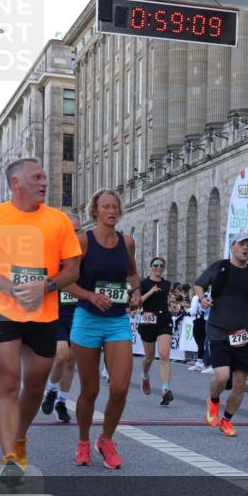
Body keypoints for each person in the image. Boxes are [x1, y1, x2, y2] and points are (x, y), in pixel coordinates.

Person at [0, 158, 82, 480]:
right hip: (2, 308)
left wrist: (47, 285)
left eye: (45, 176)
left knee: (33, 386)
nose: (45, 182)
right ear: (16, 183)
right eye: (38, 177)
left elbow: (72, 269)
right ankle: (10, 458)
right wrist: (14, 289)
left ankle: (19, 437)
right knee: (7, 381)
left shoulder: (58, 221)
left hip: (44, 312)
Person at [64, 190, 141, 468]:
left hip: (118, 320)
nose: (111, 211)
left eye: (115, 206)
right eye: (105, 206)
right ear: (95, 211)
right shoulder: (82, 242)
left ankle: (106, 440)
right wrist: (90, 295)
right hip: (87, 320)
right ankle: (83, 442)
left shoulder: (127, 242)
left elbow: (133, 273)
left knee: (120, 387)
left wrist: (135, 291)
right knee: (90, 390)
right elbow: (64, 281)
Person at [194, 236, 248, 437]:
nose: (245, 248)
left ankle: (226, 420)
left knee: (240, 384)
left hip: (241, 333)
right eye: (242, 245)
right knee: (222, 375)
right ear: (233, 247)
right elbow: (199, 284)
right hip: (218, 329)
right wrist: (202, 299)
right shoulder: (221, 267)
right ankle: (214, 400)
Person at [41, 214, 82, 423]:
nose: (74, 235)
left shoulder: (84, 256)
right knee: (62, 356)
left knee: (71, 361)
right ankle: (51, 390)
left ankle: (62, 401)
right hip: (56, 313)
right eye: (71, 231)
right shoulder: (52, 254)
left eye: (78, 231)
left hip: (80, 313)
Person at [138, 256, 174, 406]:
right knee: (149, 357)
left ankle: (165, 389)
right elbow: (137, 301)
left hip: (164, 320)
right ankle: (145, 375)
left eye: (161, 266)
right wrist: (150, 292)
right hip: (147, 321)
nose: (158, 268)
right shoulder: (144, 283)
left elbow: (165, 300)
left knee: (164, 354)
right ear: (151, 267)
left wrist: (170, 306)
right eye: (156, 265)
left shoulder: (167, 284)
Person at [188, 285, 210, 371]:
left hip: (198, 320)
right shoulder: (208, 295)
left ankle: (201, 362)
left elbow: (193, 311)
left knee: (200, 342)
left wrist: (189, 311)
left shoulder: (196, 297)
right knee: (204, 342)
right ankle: (201, 361)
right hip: (206, 320)